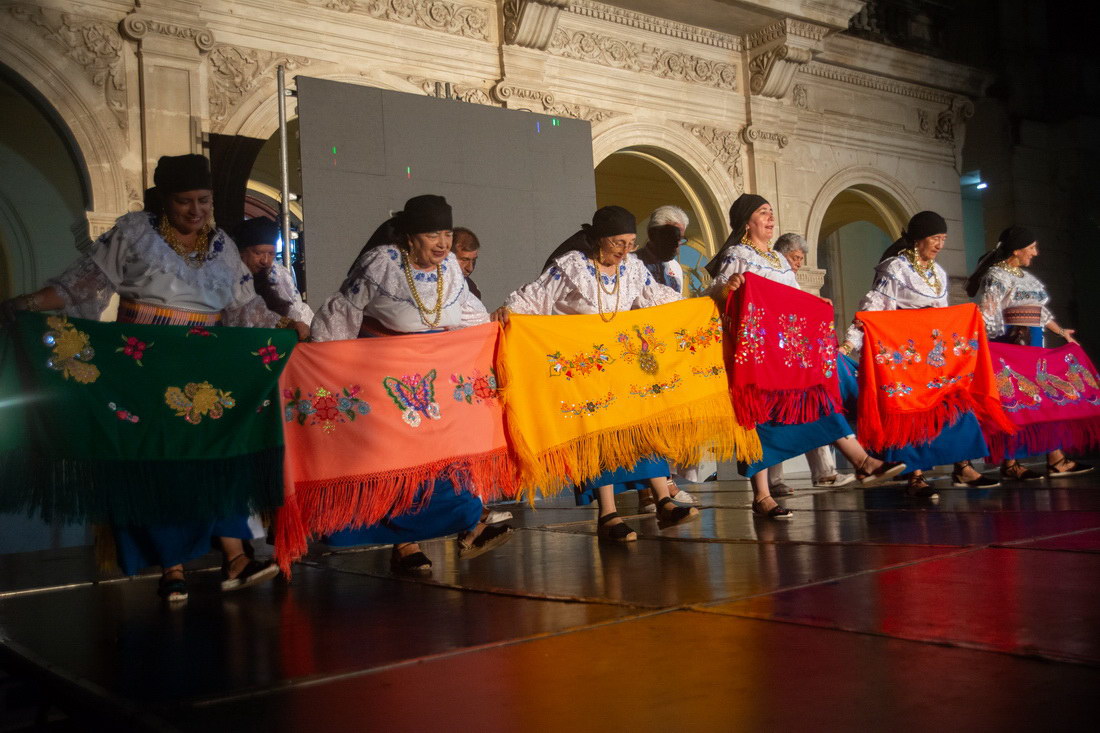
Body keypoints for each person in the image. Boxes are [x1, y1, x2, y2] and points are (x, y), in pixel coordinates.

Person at [0, 154, 306, 602]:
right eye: (184, 201)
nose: (196, 210)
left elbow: (245, 311)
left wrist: (286, 328)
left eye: (203, 200)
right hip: (145, 368)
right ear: (164, 200)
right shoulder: (133, 234)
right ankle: (172, 567)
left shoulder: (222, 245)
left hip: (205, 368)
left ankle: (237, 558)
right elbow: (78, 288)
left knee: (213, 458)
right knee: (158, 465)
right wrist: (26, 304)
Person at [311, 195, 513, 572]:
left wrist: (492, 333)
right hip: (387, 379)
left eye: (447, 234)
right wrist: (325, 365)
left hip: (433, 379)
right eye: (432, 234)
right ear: (409, 237)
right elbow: (344, 311)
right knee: (399, 463)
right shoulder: (382, 263)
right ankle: (406, 544)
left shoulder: (449, 267)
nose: (442, 244)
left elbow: (466, 314)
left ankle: (466, 522)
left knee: (442, 462)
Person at [494, 205, 699, 542]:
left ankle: (664, 499)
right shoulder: (571, 268)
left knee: (643, 430)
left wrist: (706, 302)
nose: (625, 251)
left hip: (623, 367)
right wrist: (509, 311)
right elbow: (533, 299)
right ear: (601, 239)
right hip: (586, 374)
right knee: (601, 442)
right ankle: (608, 515)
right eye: (618, 243)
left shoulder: (632, 268)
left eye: (630, 243)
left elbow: (659, 299)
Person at [706, 194, 906, 519]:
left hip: (790, 351)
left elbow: (792, 296)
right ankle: (762, 495)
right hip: (759, 352)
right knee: (761, 418)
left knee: (816, 400)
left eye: (771, 213)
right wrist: (729, 286)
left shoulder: (779, 260)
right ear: (747, 222)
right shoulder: (736, 255)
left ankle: (863, 461)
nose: (770, 219)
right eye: (763, 213)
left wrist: (816, 304)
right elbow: (714, 293)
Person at [840, 210, 999, 498]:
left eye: (943, 239)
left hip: (935, 357)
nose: (940, 244)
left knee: (952, 403)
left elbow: (945, 315)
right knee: (911, 415)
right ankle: (915, 476)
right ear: (918, 239)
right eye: (935, 238)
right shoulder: (895, 269)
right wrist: (850, 343)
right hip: (907, 358)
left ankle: (963, 466)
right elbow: (874, 310)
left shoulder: (938, 274)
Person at [967, 225, 1092, 479]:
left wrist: (1061, 332)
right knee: (1017, 405)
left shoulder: (1027, 279)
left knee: (1043, 402)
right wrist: (1001, 339)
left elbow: (1039, 311)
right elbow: (987, 313)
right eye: (1031, 247)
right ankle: (1012, 463)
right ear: (1016, 250)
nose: (1035, 253)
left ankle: (1055, 458)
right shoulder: (997, 276)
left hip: (1035, 348)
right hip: (1011, 347)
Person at [767, 232, 856, 495]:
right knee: (776, 417)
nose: (797, 263)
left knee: (811, 407)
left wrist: (817, 303)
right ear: (782, 253)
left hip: (798, 357)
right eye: (795, 258)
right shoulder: (769, 272)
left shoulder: (790, 278)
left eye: (800, 259)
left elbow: (797, 307)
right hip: (774, 355)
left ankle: (825, 472)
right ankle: (774, 481)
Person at [234, 217, 314, 326]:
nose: (265, 261)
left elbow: (296, 308)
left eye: (271, 254)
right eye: (258, 253)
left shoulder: (279, 273)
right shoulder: (228, 275)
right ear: (242, 252)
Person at [453, 227, 482, 299]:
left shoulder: (472, 290)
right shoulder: (429, 286)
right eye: (464, 260)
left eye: (473, 260)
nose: (470, 268)